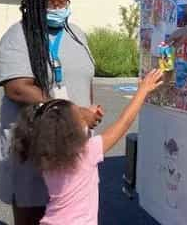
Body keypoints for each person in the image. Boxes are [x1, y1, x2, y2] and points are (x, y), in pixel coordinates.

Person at [0, 0, 104, 225]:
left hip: (72, 145)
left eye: (62, 2)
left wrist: (90, 113)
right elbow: (17, 88)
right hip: (33, 143)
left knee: (70, 214)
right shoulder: (18, 36)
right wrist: (75, 112)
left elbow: (85, 76)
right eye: (50, 3)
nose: (57, 9)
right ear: (34, 4)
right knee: (34, 213)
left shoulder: (77, 34)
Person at [11, 69, 164, 225]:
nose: (86, 117)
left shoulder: (45, 152)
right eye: (81, 116)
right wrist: (143, 90)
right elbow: (124, 122)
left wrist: (86, 115)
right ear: (74, 131)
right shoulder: (87, 152)